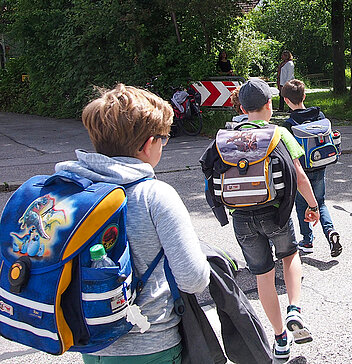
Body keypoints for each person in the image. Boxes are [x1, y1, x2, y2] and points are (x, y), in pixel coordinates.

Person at [55, 84, 211, 364]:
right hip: (150, 346)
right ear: (148, 144)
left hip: (90, 342)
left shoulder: (73, 191)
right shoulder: (155, 195)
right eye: (163, 138)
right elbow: (193, 279)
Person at [204, 79, 319, 361]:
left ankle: (280, 339)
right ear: (269, 105)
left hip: (241, 218)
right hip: (275, 213)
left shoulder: (224, 138)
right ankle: (295, 309)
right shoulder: (278, 133)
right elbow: (300, 176)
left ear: (242, 108)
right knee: (290, 256)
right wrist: (313, 205)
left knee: (262, 276)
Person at [282, 79, 342, 257]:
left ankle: (307, 240)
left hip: (302, 171)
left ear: (286, 100)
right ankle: (330, 232)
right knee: (320, 203)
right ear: (304, 96)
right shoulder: (319, 115)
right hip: (320, 166)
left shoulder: (289, 124)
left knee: (302, 206)